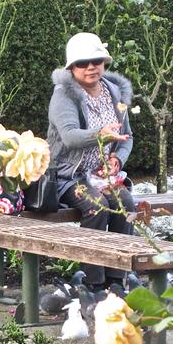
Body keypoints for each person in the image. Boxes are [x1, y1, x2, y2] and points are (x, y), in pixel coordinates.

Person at [47, 32, 136, 290]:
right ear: (71, 67)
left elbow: (126, 137)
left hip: (101, 176)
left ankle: (116, 280)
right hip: (67, 177)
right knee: (96, 205)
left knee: (125, 203)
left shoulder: (114, 92)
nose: (90, 67)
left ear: (104, 62)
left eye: (96, 61)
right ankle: (93, 283)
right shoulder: (64, 95)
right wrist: (101, 135)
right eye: (82, 63)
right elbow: (70, 137)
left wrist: (117, 159)